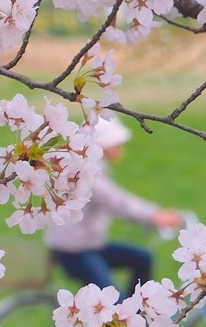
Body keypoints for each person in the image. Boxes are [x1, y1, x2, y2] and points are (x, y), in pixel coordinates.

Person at [46, 115, 184, 300]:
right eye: (115, 143)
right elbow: (115, 201)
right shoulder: (86, 172)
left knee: (143, 258)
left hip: (90, 246)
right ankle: (123, 320)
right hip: (74, 252)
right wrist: (155, 216)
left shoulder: (90, 166)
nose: (120, 147)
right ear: (102, 146)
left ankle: (138, 310)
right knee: (113, 305)